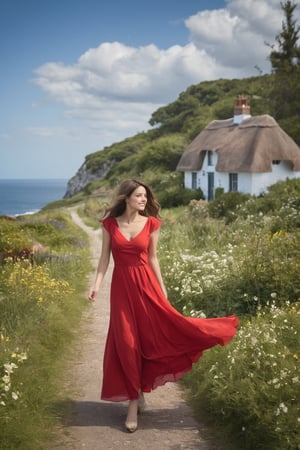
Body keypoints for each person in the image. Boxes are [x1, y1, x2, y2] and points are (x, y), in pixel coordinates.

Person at [88, 179, 239, 433]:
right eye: (138, 196)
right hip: (121, 291)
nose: (144, 200)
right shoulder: (110, 225)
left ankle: (138, 390)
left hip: (146, 287)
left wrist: (163, 289)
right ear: (126, 198)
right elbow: (104, 260)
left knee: (150, 340)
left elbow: (153, 258)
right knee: (126, 343)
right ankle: (133, 403)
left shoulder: (152, 224)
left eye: (145, 196)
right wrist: (96, 285)